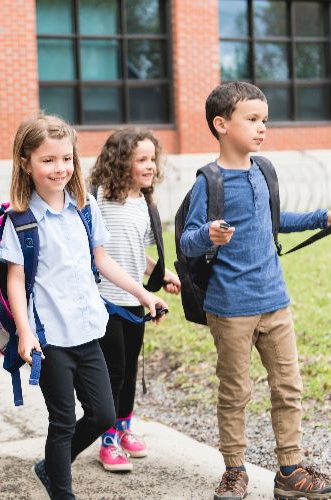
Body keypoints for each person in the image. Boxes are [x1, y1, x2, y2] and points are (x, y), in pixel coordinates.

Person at [180, 81, 331, 500]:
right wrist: (209, 235)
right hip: (230, 308)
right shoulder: (209, 181)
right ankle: (235, 471)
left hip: (275, 302)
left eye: (265, 120)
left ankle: (290, 473)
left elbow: (274, 220)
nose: (262, 128)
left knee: (288, 387)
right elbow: (186, 242)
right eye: (252, 119)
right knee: (235, 392)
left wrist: (322, 218)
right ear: (221, 125)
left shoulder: (263, 171)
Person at [0, 114, 168, 499]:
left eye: (66, 159)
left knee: (103, 415)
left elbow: (104, 261)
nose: (60, 168)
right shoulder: (20, 220)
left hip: (90, 332)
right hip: (51, 339)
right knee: (61, 422)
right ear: (25, 163)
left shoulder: (85, 207)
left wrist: (145, 295)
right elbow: (17, 280)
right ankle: (62, 491)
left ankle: (49, 467)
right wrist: (24, 333)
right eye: (48, 160)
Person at [88, 128, 181, 472]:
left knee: (129, 372)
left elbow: (134, 254)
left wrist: (163, 274)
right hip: (105, 302)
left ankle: (125, 427)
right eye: (141, 159)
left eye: (152, 159)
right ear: (119, 161)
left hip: (134, 304)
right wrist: (144, 292)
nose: (150, 166)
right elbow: (103, 254)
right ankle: (108, 439)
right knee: (112, 372)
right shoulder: (98, 201)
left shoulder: (145, 203)